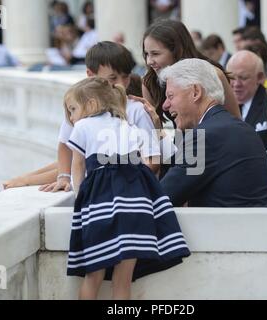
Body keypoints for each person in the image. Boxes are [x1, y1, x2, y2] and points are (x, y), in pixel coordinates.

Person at [64, 77, 190, 300]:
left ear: (91, 104)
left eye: (73, 109)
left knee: (93, 277)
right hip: (136, 205)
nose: (71, 117)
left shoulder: (83, 127)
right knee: (122, 281)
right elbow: (144, 163)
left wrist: (79, 195)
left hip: (101, 207)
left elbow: (78, 166)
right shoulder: (127, 126)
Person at [3, 41, 160, 190]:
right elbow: (65, 146)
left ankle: (24, 179)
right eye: (112, 78)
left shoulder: (137, 110)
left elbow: (153, 159)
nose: (120, 83)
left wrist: (128, 178)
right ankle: (23, 179)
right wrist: (63, 177)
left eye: (125, 76)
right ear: (90, 75)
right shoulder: (80, 109)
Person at [158, 58, 267, 207]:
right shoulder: (240, 127)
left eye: (170, 96)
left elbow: (163, 196)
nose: (165, 105)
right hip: (258, 226)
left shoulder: (205, 136)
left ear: (196, 92)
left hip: (234, 228)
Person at [138, 19, 241, 127]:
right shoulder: (150, 82)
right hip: (183, 138)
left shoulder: (212, 74)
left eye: (155, 53)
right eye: (146, 54)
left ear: (177, 50)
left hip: (216, 139)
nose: (149, 61)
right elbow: (155, 132)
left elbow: (236, 122)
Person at [226, 50, 267, 149]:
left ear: (260, 77)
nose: (236, 84)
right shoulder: (221, 103)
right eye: (231, 77)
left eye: (243, 78)